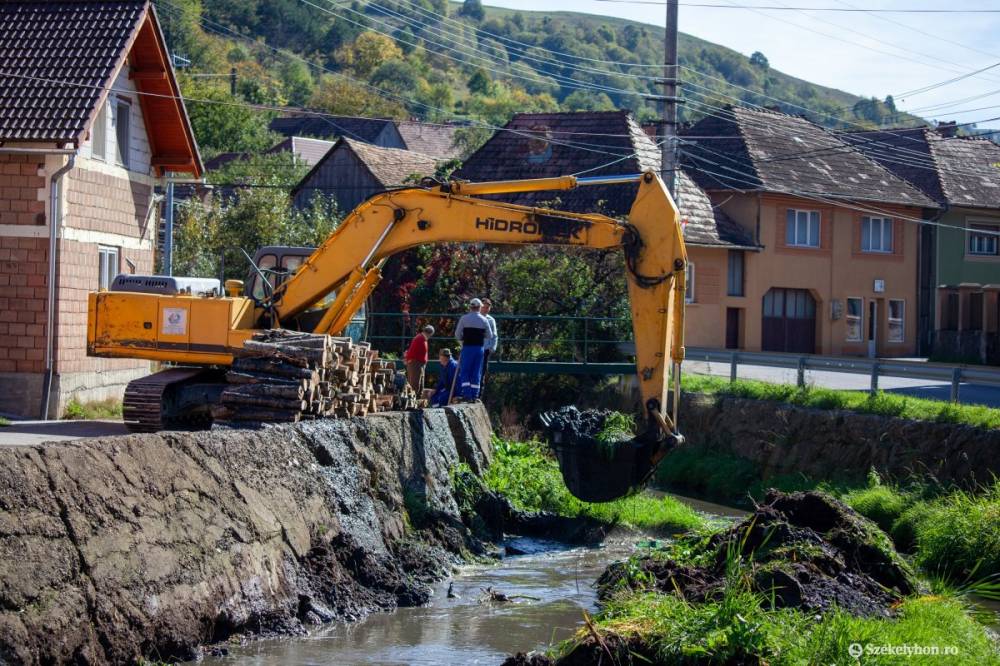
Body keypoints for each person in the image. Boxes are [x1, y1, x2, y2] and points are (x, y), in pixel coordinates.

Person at [454, 298, 494, 401]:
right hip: (479, 349)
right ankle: (475, 395)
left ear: (470, 307)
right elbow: (490, 335)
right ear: (480, 307)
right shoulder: (484, 320)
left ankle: (467, 394)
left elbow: (457, 335)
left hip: (467, 348)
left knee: (465, 371)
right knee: (476, 372)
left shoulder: (464, 318)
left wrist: (464, 338)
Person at [403, 324, 434, 392]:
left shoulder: (422, 338)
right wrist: (407, 359)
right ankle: (414, 399)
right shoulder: (419, 339)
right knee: (415, 384)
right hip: (415, 364)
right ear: (429, 333)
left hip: (419, 364)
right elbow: (412, 351)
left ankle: (417, 398)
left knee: (419, 384)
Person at [480, 298, 499, 392]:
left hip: (485, 349)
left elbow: (495, 335)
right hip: (474, 347)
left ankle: (479, 394)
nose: (486, 309)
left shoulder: (491, 320)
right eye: (484, 307)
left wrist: (493, 348)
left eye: (488, 307)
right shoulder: (475, 317)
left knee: (482, 370)